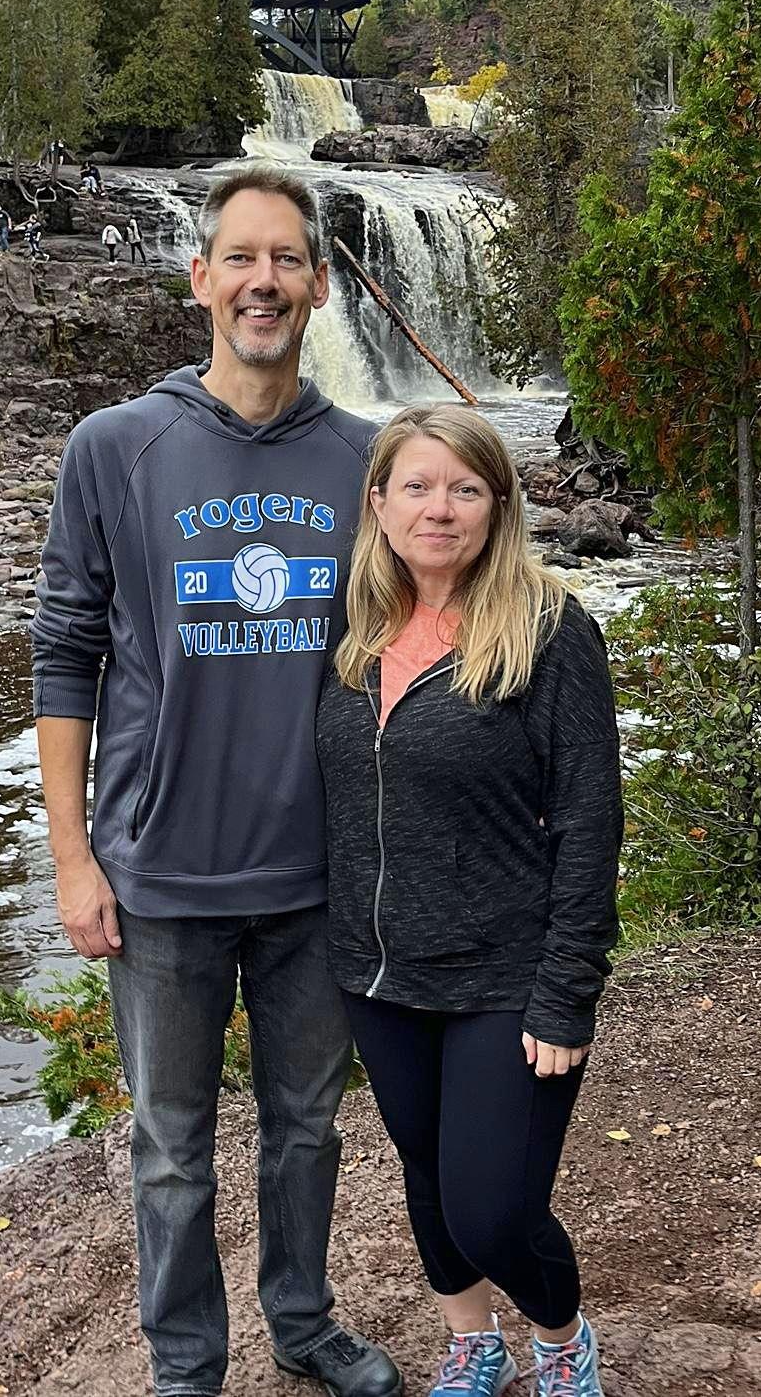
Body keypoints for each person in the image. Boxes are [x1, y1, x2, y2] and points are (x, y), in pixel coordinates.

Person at [29, 164, 400, 1397]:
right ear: (199, 280)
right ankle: (186, 1367)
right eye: (240, 258)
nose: (263, 281)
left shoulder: (366, 460)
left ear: (320, 286)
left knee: (307, 1131)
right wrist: (75, 859)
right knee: (171, 1151)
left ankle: (302, 1323)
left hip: (318, 875)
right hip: (162, 877)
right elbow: (65, 654)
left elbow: (422, 636)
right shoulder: (116, 448)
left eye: (287, 260)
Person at [316, 406, 623, 1397]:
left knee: (494, 1208)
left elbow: (589, 820)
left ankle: (561, 1337)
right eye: (416, 486)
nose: (437, 508)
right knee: (430, 1181)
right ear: (379, 503)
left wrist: (565, 990)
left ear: (499, 504)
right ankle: (471, 1342)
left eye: (464, 488)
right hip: (377, 972)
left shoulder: (549, 629)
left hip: (504, 973)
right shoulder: (348, 628)